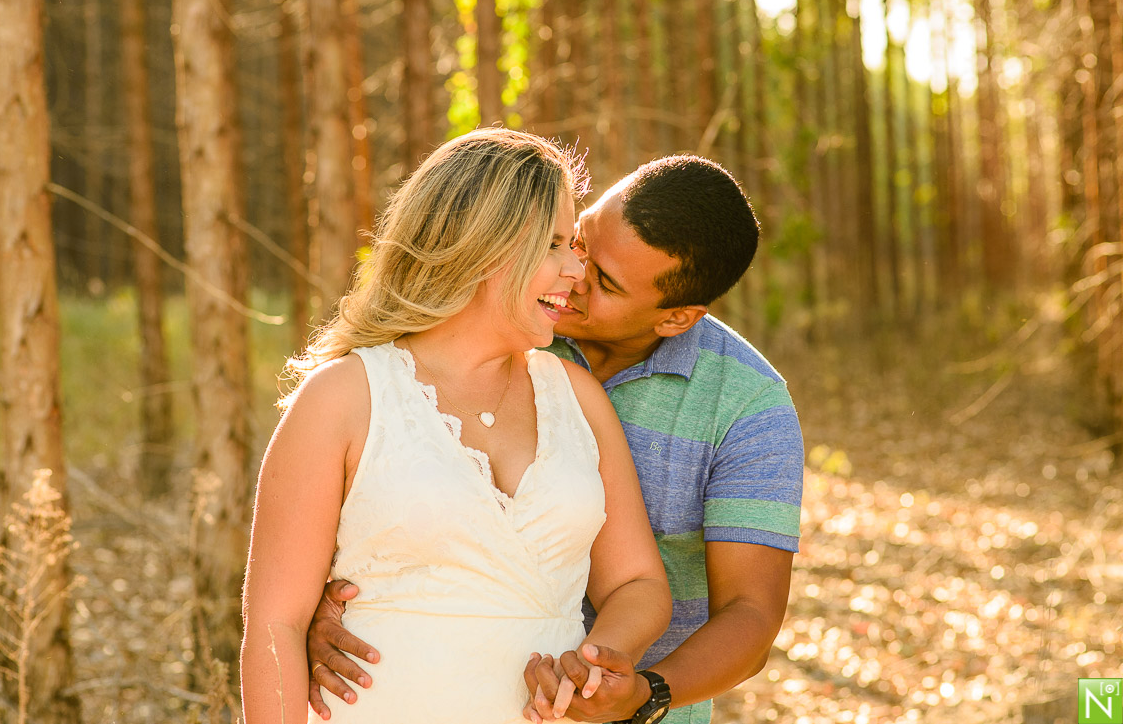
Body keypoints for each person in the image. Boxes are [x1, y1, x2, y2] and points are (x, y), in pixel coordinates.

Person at [307, 154, 804, 724]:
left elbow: (750, 614)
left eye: (607, 283)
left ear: (675, 318)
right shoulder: (489, 323)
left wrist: (645, 693)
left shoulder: (747, 407)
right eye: (580, 241)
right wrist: (327, 600)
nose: (571, 274)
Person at [240, 128, 671, 724]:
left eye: (573, 244)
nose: (577, 268)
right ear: (483, 247)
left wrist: (595, 661)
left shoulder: (576, 396)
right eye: (553, 245)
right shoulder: (344, 397)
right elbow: (275, 624)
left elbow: (639, 583)